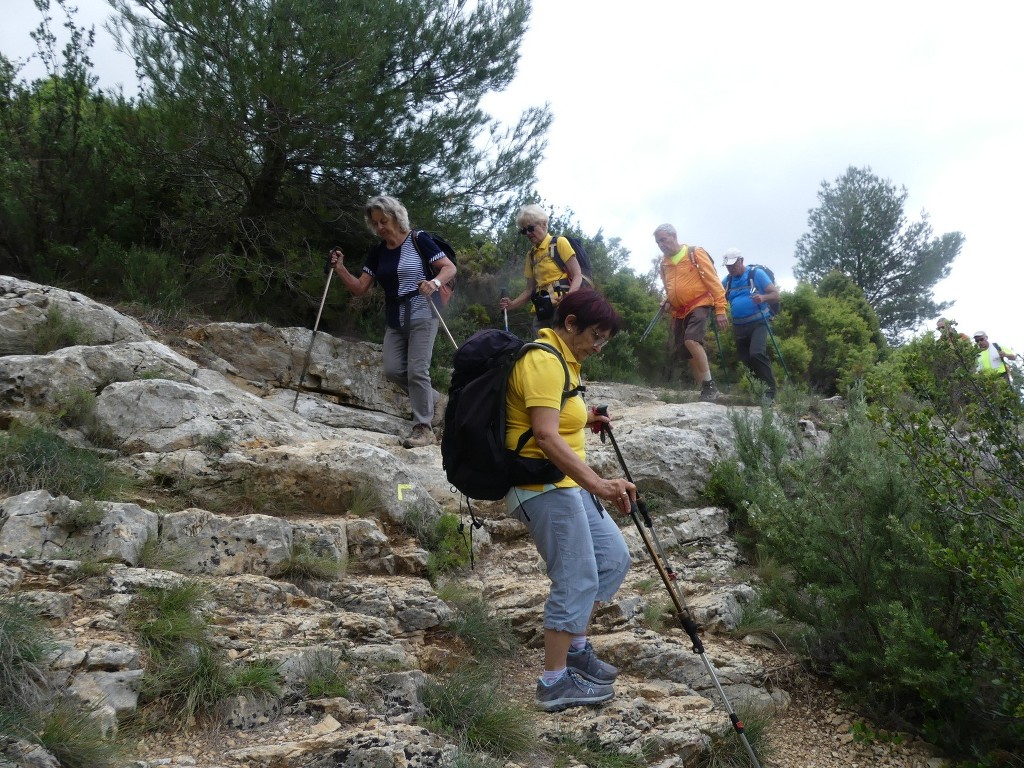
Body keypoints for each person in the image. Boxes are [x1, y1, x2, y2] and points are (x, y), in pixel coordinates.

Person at [505, 288, 634, 712]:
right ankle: (554, 682)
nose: (599, 346)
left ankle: (575, 647)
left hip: (567, 483)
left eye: (605, 340)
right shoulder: (543, 359)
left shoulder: (567, 362)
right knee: (576, 576)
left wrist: (589, 418)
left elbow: (559, 417)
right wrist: (598, 484)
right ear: (571, 323)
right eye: (595, 336)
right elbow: (543, 434)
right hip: (542, 486)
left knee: (612, 558)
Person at [329, 196, 456, 448]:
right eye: (375, 223)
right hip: (395, 317)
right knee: (392, 369)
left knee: (417, 370)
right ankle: (434, 401)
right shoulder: (377, 251)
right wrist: (340, 268)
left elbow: (448, 268)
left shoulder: (419, 240)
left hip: (423, 311)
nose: (380, 228)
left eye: (383, 221)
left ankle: (424, 427)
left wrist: (434, 283)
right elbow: (360, 288)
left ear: (397, 218)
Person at [653, 224, 728, 401]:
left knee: (691, 340)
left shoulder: (694, 253)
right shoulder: (664, 264)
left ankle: (710, 386)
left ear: (674, 236)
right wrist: (668, 301)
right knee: (686, 350)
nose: (661, 244)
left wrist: (720, 309)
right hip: (679, 311)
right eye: (658, 242)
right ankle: (705, 389)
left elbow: (713, 281)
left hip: (700, 303)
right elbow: (669, 288)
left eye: (663, 239)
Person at [500, 204, 585, 331]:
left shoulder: (559, 243)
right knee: (540, 348)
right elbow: (529, 290)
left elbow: (577, 275)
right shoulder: (531, 255)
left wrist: (569, 297)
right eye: (524, 231)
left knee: (560, 346)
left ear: (544, 224)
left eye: (530, 228)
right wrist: (512, 304)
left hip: (562, 307)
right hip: (542, 310)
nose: (528, 233)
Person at [721, 248, 779, 400]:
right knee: (746, 360)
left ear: (741, 260)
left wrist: (763, 298)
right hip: (739, 326)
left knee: (757, 353)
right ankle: (758, 392)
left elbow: (775, 295)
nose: (730, 268)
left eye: (733, 264)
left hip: (759, 322)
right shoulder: (727, 281)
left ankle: (770, 394)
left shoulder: (756, 274)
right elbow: (719, 298)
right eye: (728, 266)